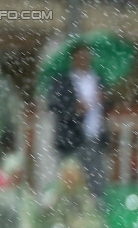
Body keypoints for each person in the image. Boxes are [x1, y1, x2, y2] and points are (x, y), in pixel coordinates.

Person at [47, 45, 108, 203]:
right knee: (69, 182)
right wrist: (75, 109)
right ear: (73, 59)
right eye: (80, 56)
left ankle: (95, 218)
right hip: (71, 140)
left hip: (94, 138)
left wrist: (105, 100)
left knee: (96, 182)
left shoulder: (98, 79)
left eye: (86, 56)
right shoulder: (62, 81)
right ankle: (67, 218)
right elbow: (54, 106)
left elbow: (107, 107)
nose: (83, 60)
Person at [39, 157, 103, 228]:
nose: (70, 179)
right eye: (67, 175)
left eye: (73, 175)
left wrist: (82, 223)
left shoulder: (83, 193)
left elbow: (93, 217)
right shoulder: (54, 192)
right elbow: (45, 217)